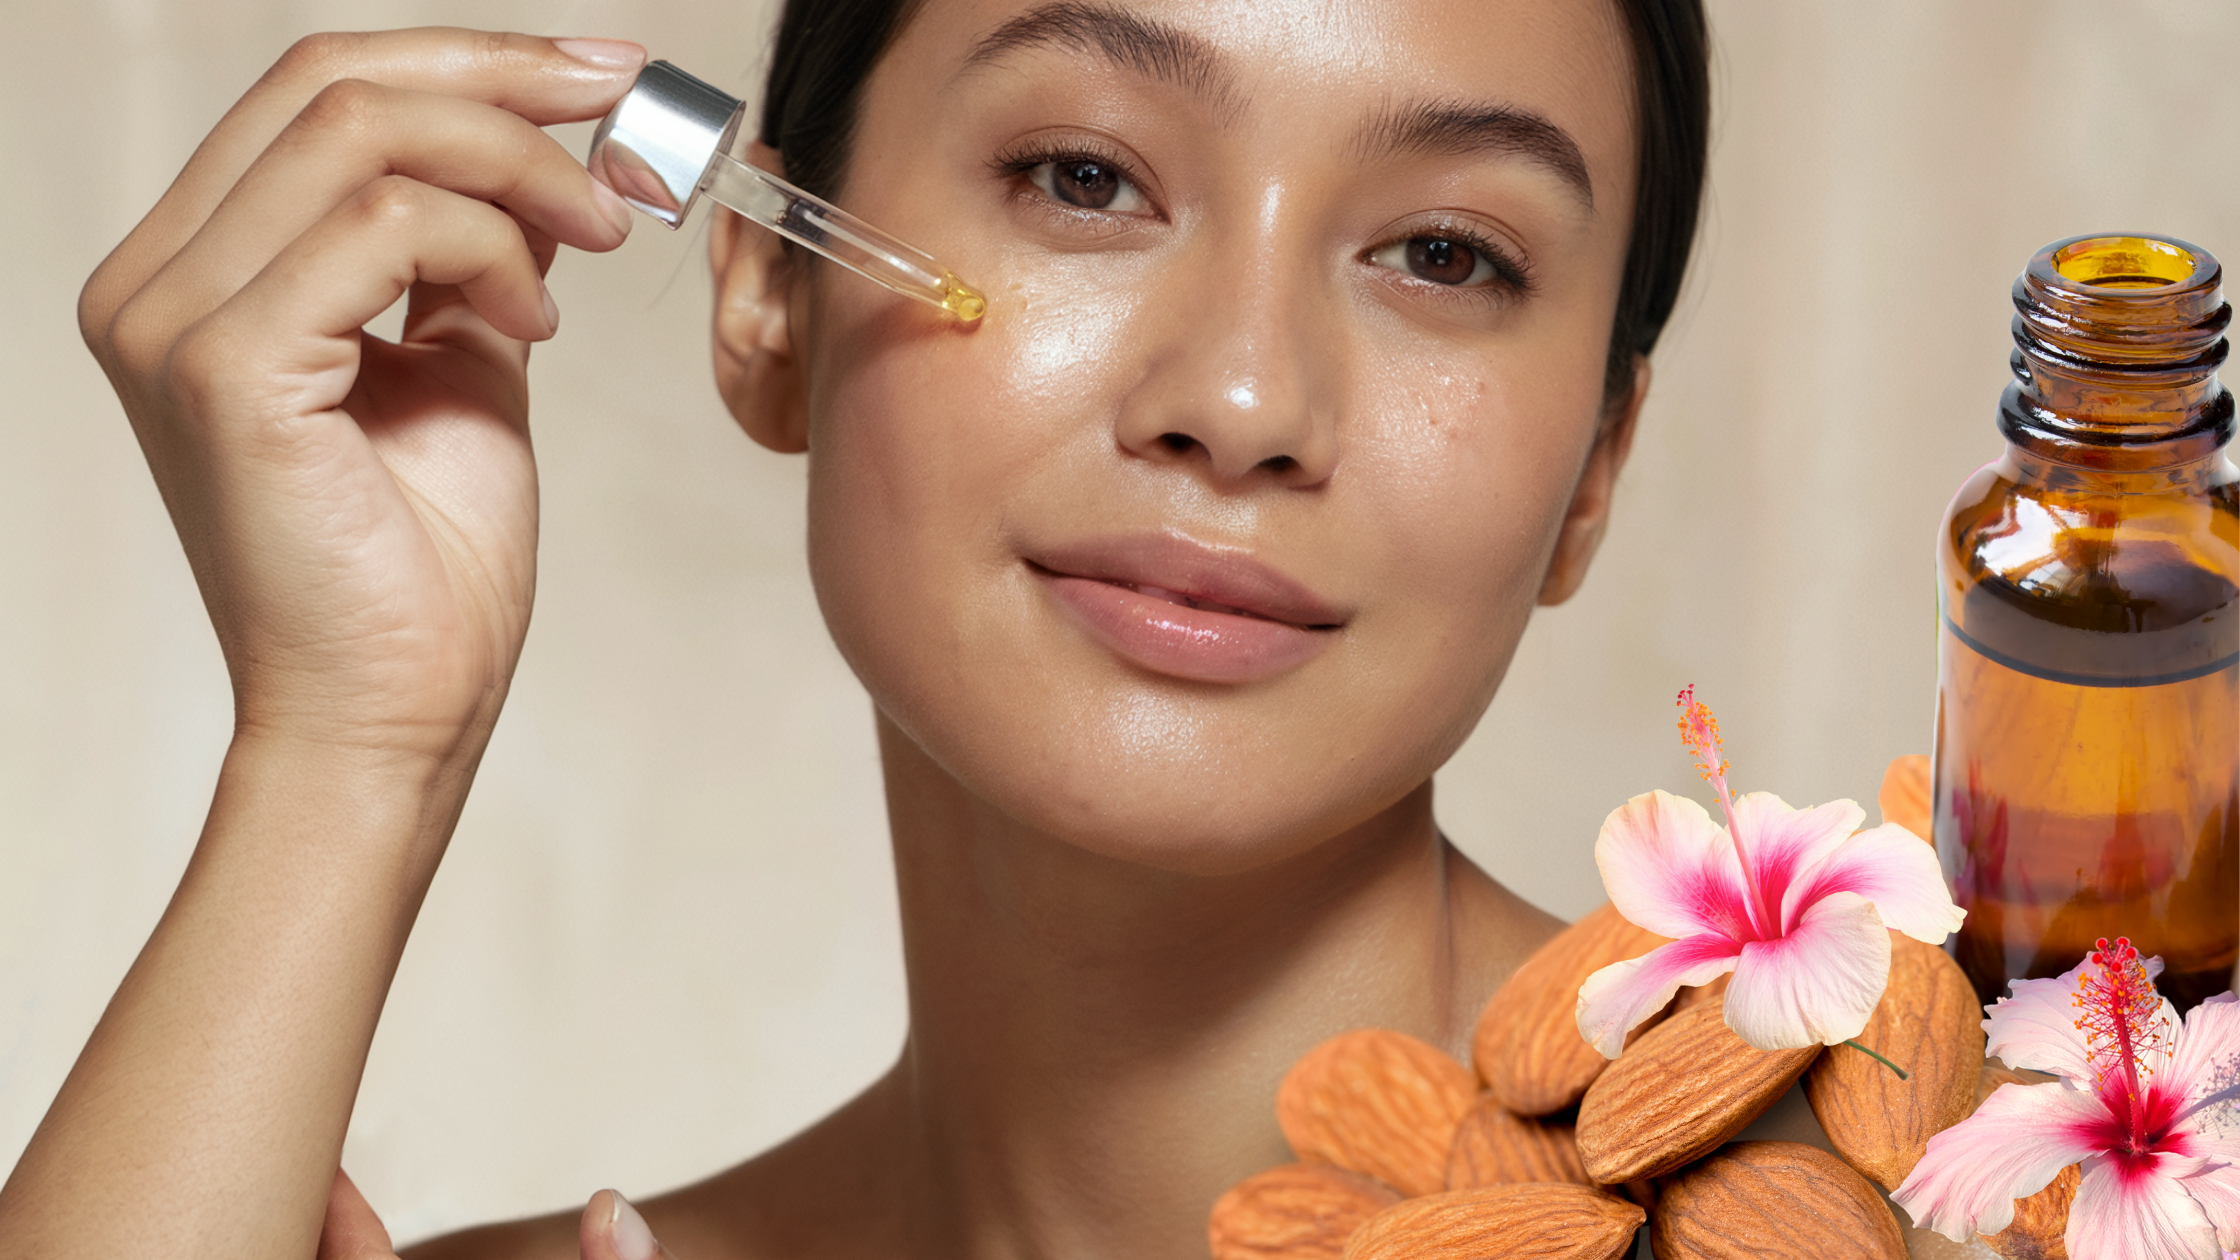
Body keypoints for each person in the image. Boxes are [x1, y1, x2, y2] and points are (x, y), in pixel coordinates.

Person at [0, 0, 1708, 1255]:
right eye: (1084, 177)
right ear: (765, 293)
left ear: (1594, 469)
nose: (1246, 398)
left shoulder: (1926, 1188)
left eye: (1443, 253)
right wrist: (351, 742)